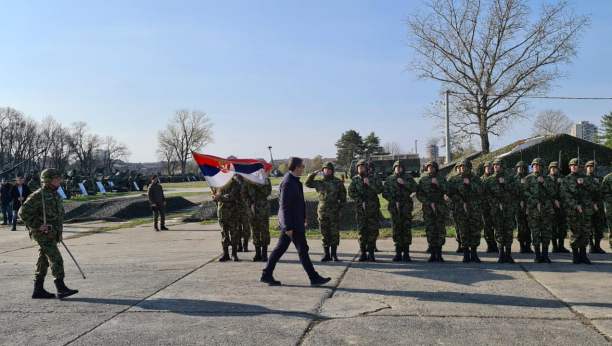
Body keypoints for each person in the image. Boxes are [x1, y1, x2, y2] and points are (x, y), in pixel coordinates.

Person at [260, 157, 331, 286]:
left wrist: (302, 218)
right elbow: (285, 206)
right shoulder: (288, 182)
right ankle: (313, 277)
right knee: (302, 249)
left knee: (280, 249)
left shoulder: (293, 181)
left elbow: (297, 203)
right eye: (302, 166)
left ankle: (266, 274)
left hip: (294, 221)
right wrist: (288, 226)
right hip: (291, 223)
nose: (303, 168)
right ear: (297, 167)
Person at [19, 168, 78, 299]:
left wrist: (59, 233)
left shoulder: (56, 195)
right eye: (56, 178)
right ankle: (60, 288)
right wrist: (38, 226)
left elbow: (58, 217)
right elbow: (22, 212)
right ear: (48, 180)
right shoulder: (39, 195)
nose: (59, 180)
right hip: (43, 234)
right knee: (56, 259)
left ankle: (38, 289)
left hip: (53, 233)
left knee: (43, 260)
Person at [305, 162, 347, 262]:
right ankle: (326, 254)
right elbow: (307, 183)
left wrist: (340, 210)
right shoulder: (320, 182)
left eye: (328, 169)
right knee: (324, 232)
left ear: (332, 170)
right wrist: (314, 173)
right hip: (322, 210)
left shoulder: (338, 183)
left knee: (334, 232)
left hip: (334, 210)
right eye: (325, 169)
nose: (326, 171)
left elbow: (343, 198)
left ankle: (334, 254)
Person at [560, 158, 598, 264]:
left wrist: (584, 183)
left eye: (576, 165)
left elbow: (596, 189)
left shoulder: (587, 178)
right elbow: (564, 194)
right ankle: (575, 255)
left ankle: (583, 255)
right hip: (573, 211)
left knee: (585, 232)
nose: (574, 167)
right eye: (572, 165)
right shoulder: (567, 179)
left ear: (581, 167)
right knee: (575, 233)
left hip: (586, 210)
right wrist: (574, 205)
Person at [349, 159, 384, 262]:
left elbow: (379, 190)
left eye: (362, 166)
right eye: (359, 166)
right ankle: (363, 252)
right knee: (362, 230)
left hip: (372, 208)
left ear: (367, 168)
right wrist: (361, 200)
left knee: (373, 230)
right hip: (361, 209)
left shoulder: (374, 177)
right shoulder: (355, 179)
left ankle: (372, 253)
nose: (360, 168)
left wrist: (369, 184)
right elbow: (351, 192)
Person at [449, 159, 484, 263]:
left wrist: (470, 184)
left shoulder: (476, 179)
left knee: (475, 231)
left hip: (474, 209)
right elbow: (450, 193)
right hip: (460, 209)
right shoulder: (454, 180)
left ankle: (474, 253)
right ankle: (465, 254)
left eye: (464, 167)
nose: (461, 169)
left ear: (469, 168)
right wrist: (461, 202)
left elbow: (481, 191)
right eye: (460, 167)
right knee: (463, 231)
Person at [484, 158, 519, 263]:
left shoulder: (510, 179)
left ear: (503, 167)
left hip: (508, 208)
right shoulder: (489, 180)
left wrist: (505, 183)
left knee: (508, 231)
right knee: (498, 231)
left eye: (497, 165)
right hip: (496, 209)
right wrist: (496, 203)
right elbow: (487, 195)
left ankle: (508, 253)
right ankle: (501, 253)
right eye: (494, 165)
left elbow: (516, 190)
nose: (495, 166)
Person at [382, 161, 417, 262]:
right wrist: (394, 201)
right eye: (396, 167)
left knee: (406, 229)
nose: (398, 168)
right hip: (394, 207)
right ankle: (398, 253)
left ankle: (406, 253)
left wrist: (404, 183)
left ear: (403, 168)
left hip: (406, 206)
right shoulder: (389, 179)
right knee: (396, 230)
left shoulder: (408, 177)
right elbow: (385, 193)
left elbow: (415, 188)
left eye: (400, 167)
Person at [524, 158, 555, 263]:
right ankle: (537, 255)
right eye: (534, 165)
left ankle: (545, 255)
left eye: (538, 165)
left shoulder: (548, 179)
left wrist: (543, 183)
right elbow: (525, 193)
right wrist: (535, 202)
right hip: (533, 210)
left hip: (546, 209)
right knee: (535, 233)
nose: (535, 166)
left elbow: (552, 192)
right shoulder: (528, 179)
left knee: (546, 233)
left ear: (542, 167)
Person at [416, 161, 448, 262]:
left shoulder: (442, 179)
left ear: (436, 168)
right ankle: (432, 253)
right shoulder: (423, 180)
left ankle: (439, 253)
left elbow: (448, 190)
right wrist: (428, 202)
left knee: (440, 230)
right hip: (428, 208)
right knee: (430, 230)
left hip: (440, 207)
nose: (430, 169)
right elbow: (419, 194)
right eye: (429, 167)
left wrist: (438, 184)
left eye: (432, 167)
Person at [243, 171, 272, 262]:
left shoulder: (266, 180)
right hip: (252, 210)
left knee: (264, 231)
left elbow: (267, 192)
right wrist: (250, 203)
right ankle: (257, 254)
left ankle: (264, 254)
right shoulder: (247, 181)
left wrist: (260, 182)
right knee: (255, 231)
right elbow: (243, 194)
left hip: (263, 209)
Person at [213, 175, 242, 262]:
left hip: (232, 212)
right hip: (222, 212)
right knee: (224, 233)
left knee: (234, 233)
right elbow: (214, 195)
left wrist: (220, 197)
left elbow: (232, 196)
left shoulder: (235, 184)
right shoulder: (218, 184)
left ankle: (234, 254)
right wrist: (215, 197)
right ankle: (225, 254)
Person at [549, 162, 570, 253]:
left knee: (562, 227)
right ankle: (554, 246)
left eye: (555, 168)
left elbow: (568, 191)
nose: (553, 169)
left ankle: (561, 245)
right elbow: (546, 193)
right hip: (551, 206)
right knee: (553, 227)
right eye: (551, 168)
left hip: (562, 206)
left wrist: (562, 183)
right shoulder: (547, 179)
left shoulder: (564, 178)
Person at [585, 161, 606, 254]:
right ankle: (591, 245)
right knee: (589, 226)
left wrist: (598, 184)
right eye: (588, 166)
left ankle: (597, 246)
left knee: (599, 227)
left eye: (592, 166)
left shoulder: (600, 179)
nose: (590, 168)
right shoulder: (584, 179)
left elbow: (604, 192)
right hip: (588, 206)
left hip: (599, 206)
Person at [515, 161, 534, 254]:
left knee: (528, 227)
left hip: (529, 206)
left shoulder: (529, 179)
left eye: (521, 168)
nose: (520, 169)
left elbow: (532, 191)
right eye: (518, 167)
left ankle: (528, 246)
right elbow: (512, 192)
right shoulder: (514, 179)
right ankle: (522, 246)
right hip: (519, 207)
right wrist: (519, 201)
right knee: (521, 227)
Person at [480, 161, 497, 253]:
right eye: (486, 167)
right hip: (485, 206)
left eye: (489, 167)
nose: (488, 169)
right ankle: (489, 244)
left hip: (495, 206)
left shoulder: (495, 179)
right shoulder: (481, 179)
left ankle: (496, 243)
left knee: (496, 225)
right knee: (487, 226)